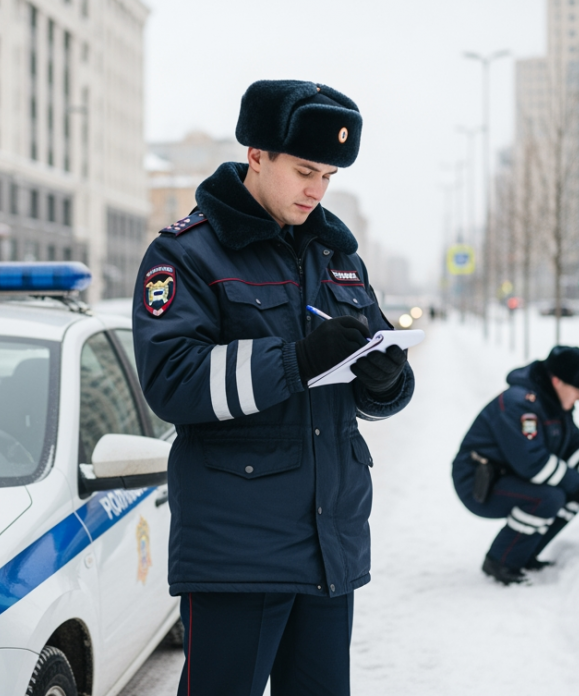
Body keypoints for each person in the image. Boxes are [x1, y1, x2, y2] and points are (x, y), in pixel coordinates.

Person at [131, 80, 414, 696]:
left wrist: (387, 380)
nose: (317, 189)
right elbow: (171, 381)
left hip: (329, 545)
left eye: (329, 176)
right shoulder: (186, 255)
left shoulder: (338, 256)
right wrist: (296, 359)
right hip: (239, 550)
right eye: (305, 170)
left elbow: (374, 373)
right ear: (257, 156)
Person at [452, 346, 579, 585]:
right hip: (478, 481)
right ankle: (501, 561)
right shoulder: (520, 404)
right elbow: (533, 463)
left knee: (569, 494)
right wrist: (578, 484)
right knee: (549, 497)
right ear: (557, 381)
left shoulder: (552, 404)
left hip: (507, 475)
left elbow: (573, 448)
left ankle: (523, 555)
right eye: (578, 389)